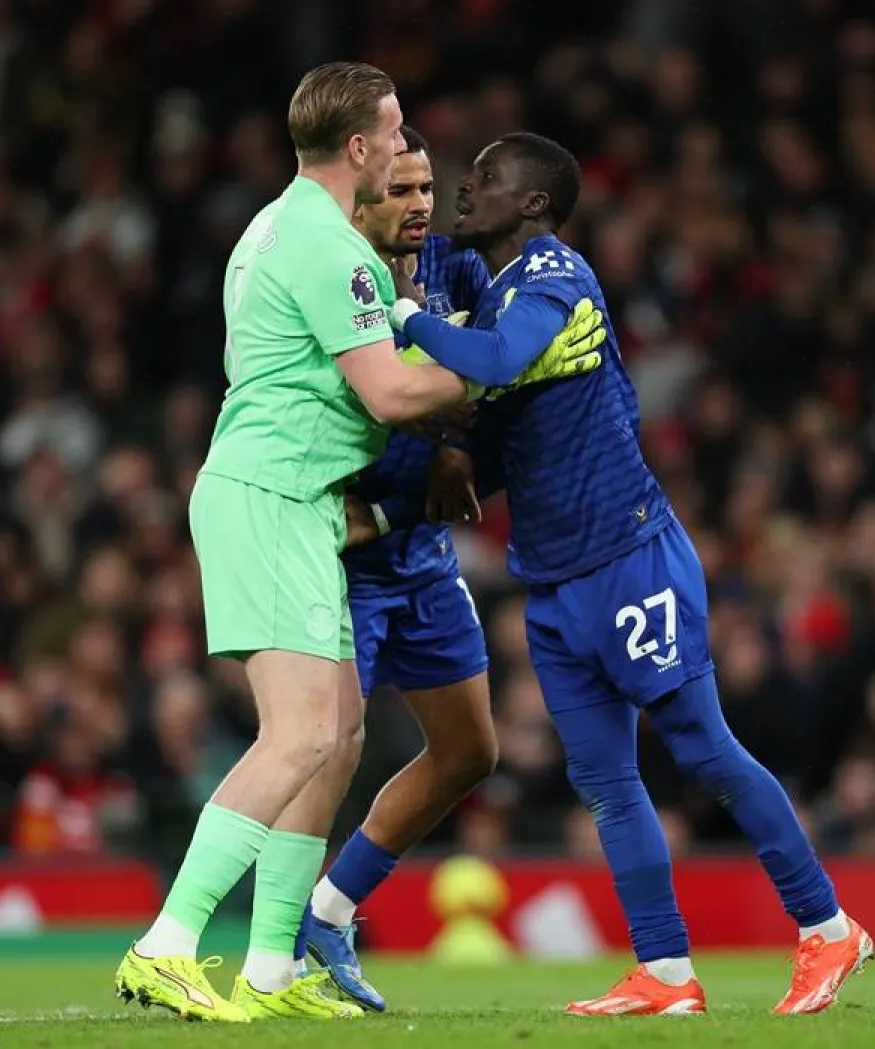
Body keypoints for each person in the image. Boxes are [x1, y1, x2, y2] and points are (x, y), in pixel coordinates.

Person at [115, 67, 602, 1024]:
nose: (403, 141)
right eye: (392, 129)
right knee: (297, 733)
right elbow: (387, 393)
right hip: (277, 495)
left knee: (334, 736)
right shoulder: (326, 244)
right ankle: (167, 943)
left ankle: (268, 968)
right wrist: (511, 363)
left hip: (289, 497)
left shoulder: (275, 227)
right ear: (360, 149)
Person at [376, 132, 874, 1016]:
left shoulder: (556, 279)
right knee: (605, 782)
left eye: (485, 180)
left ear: (533, 204)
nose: (463, 191)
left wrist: (404, 321)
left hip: (628, 556)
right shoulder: (476, 273)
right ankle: (666, 972)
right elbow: (395, 245)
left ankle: (828, 926)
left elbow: (490, 361)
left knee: (704, 749)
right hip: (555, 579)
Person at [300, 127, 495, 1013]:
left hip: (420, 551)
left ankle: (328, 913)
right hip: (346, 553)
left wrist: (459, 446)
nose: (419, 204)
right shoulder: (337, 276)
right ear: (363, 196)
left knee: (469, 750)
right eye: (401, 189)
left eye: (428, 189)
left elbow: (498, 380)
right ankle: (279, 950)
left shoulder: (458, 272)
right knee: (323, 753)